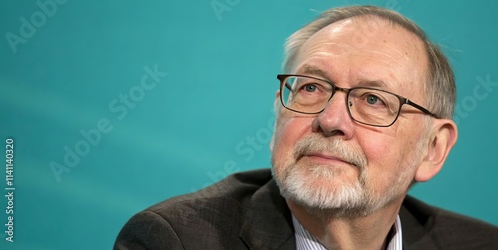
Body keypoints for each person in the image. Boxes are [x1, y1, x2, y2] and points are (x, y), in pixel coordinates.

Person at [114, 5, 498, 250]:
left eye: (373, 100)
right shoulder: (176, 241)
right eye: (311, 88)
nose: (330, 120)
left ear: (432, 149)